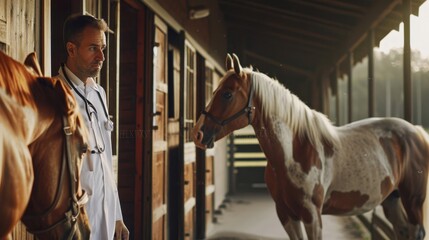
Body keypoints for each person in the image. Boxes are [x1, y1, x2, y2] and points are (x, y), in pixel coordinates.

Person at [57, 14, 129, 240]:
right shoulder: (54, 94)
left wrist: (117, 215)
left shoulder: (99, 94)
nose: (102, 56)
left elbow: (106, 158)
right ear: (71, 49)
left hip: (106, 213)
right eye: (93, 48)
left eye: (103, 48)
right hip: (74, 220)